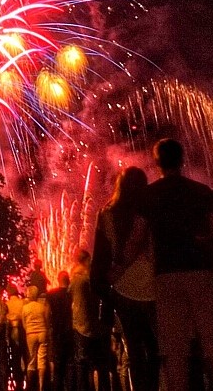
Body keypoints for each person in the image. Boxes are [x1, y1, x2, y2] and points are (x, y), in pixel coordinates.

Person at [125, 138, 213, 391]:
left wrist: (118, 269)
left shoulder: (149, 196)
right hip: (203, 275)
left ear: (157, 163)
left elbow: (135, 240)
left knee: (175, 355)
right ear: (182, 158)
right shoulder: (203, 193)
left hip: (168, 279)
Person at [91, 166, 160, 391]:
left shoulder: (107, 213)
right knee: (155, 347)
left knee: (134, 348)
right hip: (151, 285)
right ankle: (155, 385)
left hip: (122, 287)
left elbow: (101, 254)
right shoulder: (150, 211)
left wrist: (100, 285)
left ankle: (140, 387)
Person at [69, 249, 113, 391]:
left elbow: (69, 294)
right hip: (97, 326)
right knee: (102, 364)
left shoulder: (76, 280)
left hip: (82, 326)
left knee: (82, 363)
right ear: (87, 260)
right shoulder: (93, 279)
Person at [46, 271, 74, 391]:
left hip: (57, 332)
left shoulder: (51, 294)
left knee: (58, 365)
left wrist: (49, 327)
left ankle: (58, 387)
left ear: (58, 279)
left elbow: (47, 313)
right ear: (68, 280)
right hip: (71, 332)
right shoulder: (72, 294)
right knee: (71, 362)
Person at [22, 285, 51, 391]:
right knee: (42, 359)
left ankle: (30, 385)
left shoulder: (25, 308)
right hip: (42, 332)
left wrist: (29, 330)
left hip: (31, 334)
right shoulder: (42, 307)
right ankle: (41, 385)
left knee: (31, 360)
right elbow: (47, 321)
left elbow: (24, 324)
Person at [7, 284, 27, 390]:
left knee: (15, 357)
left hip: (12, 331)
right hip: (22, 330)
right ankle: (28, 380)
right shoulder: (23, 302)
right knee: (25, 355)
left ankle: (18, 382)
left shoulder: (7, 304)